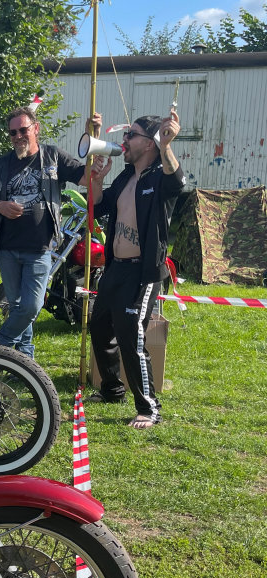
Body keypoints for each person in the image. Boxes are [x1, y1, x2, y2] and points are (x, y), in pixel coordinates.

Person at [0, 107, 101, 359]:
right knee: (17, 307)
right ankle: (25, 361)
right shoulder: (0, 165)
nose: (18, 136)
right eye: (13, 132)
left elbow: (87, 176)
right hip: (7, 249)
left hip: (40, 248)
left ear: (36, 128)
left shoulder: (53, 157)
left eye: (23, 130)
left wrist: (94, 138)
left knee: (31, 307)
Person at [89, 110, 185, 429]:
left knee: (131, 336)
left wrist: (167, 145)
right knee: (100, 326)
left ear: (149, 143)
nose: (125, 140)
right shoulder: (126, 176)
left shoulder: (160, 177)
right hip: (116, 268)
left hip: (142, 274)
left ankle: (149, 408)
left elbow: (178, 181)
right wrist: (97, 179)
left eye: (132, 135)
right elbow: (98, 206)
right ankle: (112, 389)